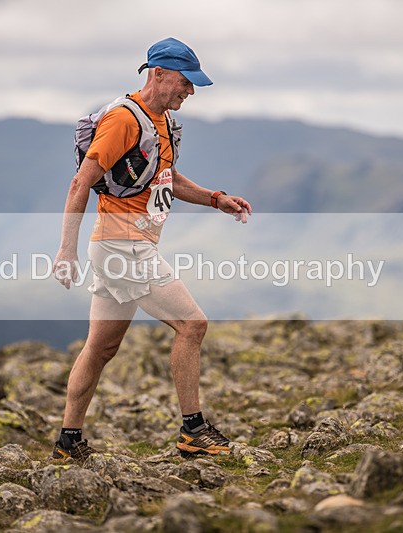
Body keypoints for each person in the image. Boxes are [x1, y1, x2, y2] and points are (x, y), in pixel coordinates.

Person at [51, 37, 252, 460]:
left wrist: (216, 199)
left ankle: (68, 442)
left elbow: (169, 180)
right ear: (157, 73)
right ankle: (193, 430)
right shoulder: (124, 119)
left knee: (101, 348)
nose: (191, 91)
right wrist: (65, 250)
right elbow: (80, 182)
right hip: (125, 246)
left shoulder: (159, 121)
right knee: (192, 325)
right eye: (185, 81)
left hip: (116, 245)